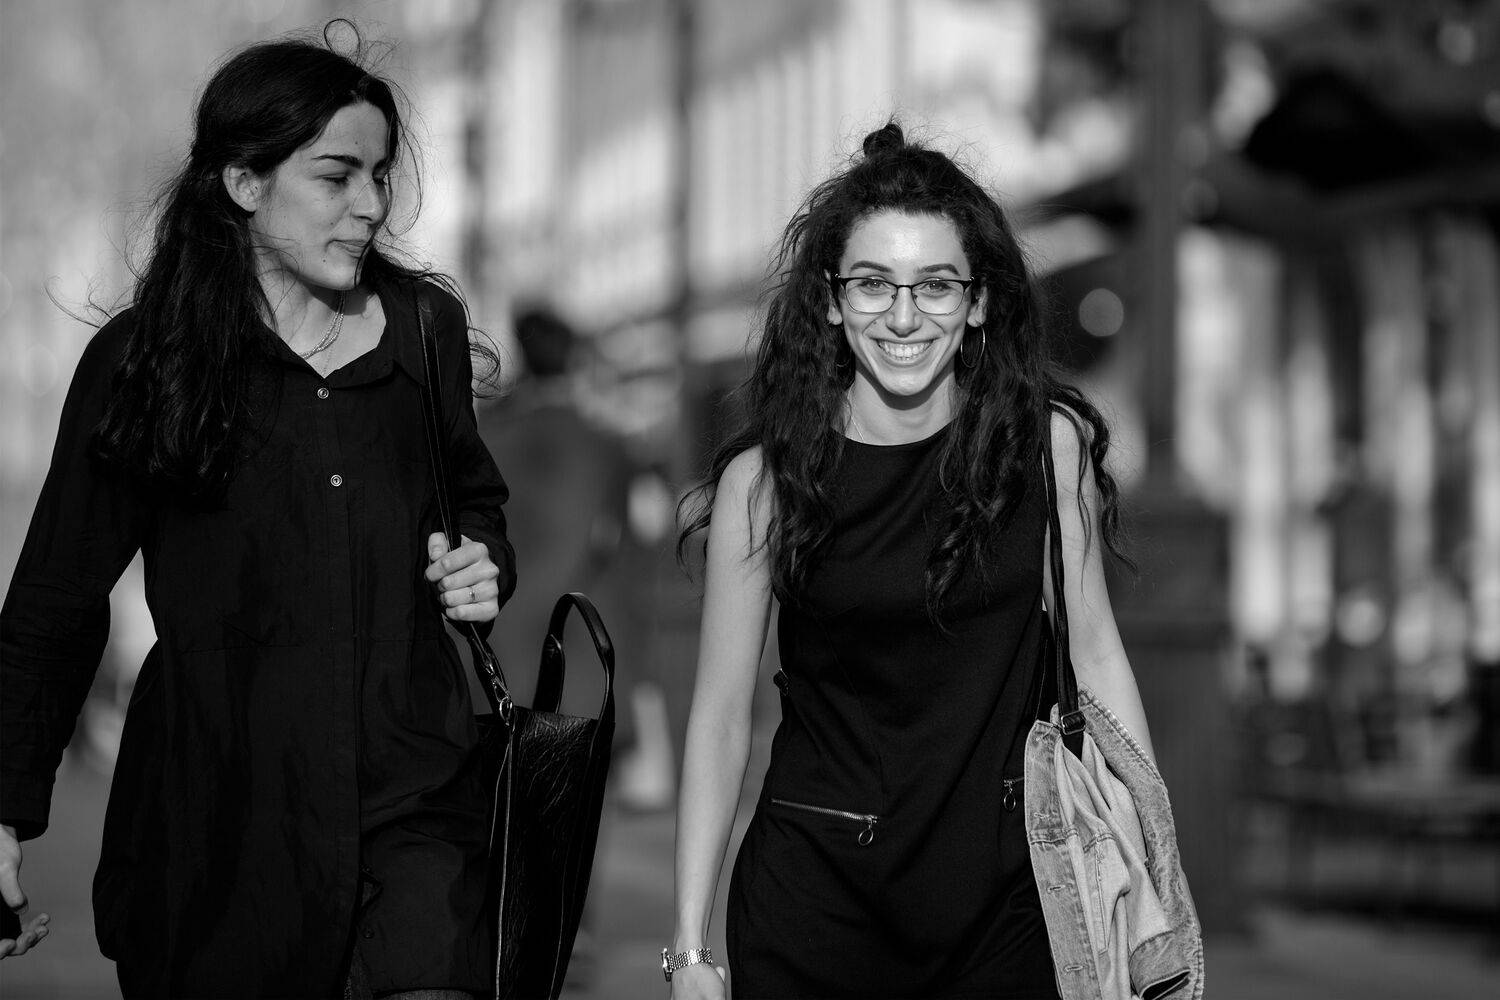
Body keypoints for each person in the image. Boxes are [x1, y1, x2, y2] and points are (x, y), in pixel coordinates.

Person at [0, 29, 515, 1000]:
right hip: (218, 826)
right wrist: (6, 806)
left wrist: (483, 558)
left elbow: (473, 497)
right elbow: (57, 595)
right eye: (336, 176)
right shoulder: (143, 360)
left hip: (414, 803)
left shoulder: (424, 331)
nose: (372, 204)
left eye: (379, 175)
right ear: (244, 182)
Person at [667, 123, 1159, 1000]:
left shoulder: (1046, 450)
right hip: (813, 907)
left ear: (979, 302)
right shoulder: (767, 481)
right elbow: (720, 719)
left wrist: (1155, 870)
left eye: (935, 285)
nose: (903, 317)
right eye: (872, 284)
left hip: (1013, 905)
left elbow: (1098, 660)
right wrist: (690, 948)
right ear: (830, 300)